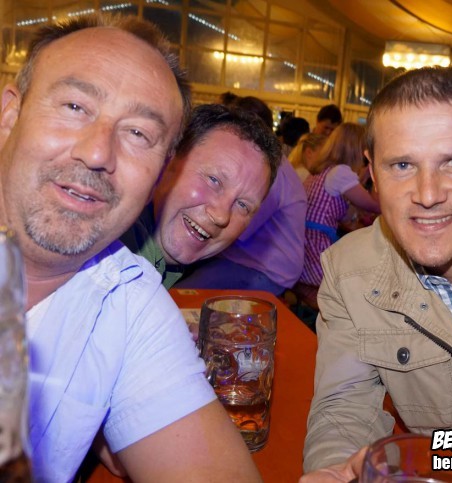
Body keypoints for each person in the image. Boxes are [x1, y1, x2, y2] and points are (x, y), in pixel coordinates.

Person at [0, 13, 261, 482]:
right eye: (75, 106)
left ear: (161, 171)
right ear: (9, 116)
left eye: (139, 134)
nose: (98, 152)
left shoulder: (129, 300)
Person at [301, 67, 452, 482]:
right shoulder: (348, 272)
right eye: (402, 164)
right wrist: (335, 469)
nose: (428, 195)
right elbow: (345, 408)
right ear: (372, 173)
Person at [121, 103, 281, 288]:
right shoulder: (112, 258)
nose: (221, 216)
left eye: (243, 205)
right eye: (214, 180)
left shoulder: (160, 267)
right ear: (167, 161)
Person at [177, 96, 307, 296]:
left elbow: (236, 230)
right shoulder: (263, 163)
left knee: (180, 294)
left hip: (268, 269)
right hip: (249, 259)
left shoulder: (266, 171)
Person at [299, 123, 380, 287]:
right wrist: (376, 174)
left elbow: (348, 215)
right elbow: (374, 206)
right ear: (356, 149)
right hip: (316, 249)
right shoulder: (340, 172)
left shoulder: (324, 170)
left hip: (305, 246)